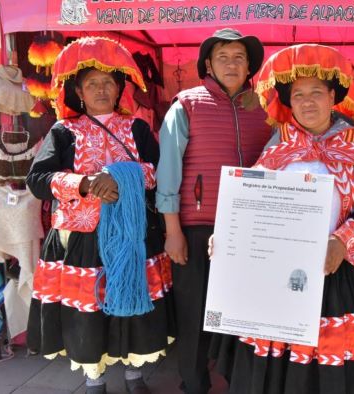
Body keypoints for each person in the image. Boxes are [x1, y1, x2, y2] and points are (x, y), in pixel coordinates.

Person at [211, 43, 354, 394]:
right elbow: (253, 200)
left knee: (331, 356)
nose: (307, 102)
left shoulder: (353, 143)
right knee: (281, 359)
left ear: (332, 98)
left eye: (316, 93)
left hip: (338, 269)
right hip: (278, 271)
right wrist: (229, 235)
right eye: (298, 95)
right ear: (289, 102)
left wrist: (342, 239)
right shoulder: (277, 146)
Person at [26, 36, 173, 394]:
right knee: (89, 310)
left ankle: (134, 374)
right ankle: (94, 377)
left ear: (120, 88)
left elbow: (160, 171)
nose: (101, 89)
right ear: (78, 90)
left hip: (133, 232)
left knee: (134, 302)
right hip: (81, 239)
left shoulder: (137, 128)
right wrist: (87, 183)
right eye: (92, 83)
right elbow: (37, 179)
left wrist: (121, 179)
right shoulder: (63, 131)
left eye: (108, 82)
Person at [155, 28, 271, 394]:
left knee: (246, 312)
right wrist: (172, 230)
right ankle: (194, 383)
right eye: (223, 57)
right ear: (208, 64)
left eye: (239, 57)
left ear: (250, 64)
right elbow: (168, 171)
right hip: (197, 228)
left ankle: (241, 383)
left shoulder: (267, 108)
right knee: (195, 315)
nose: (232, 64)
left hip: (249, 230)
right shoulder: (186, 104)